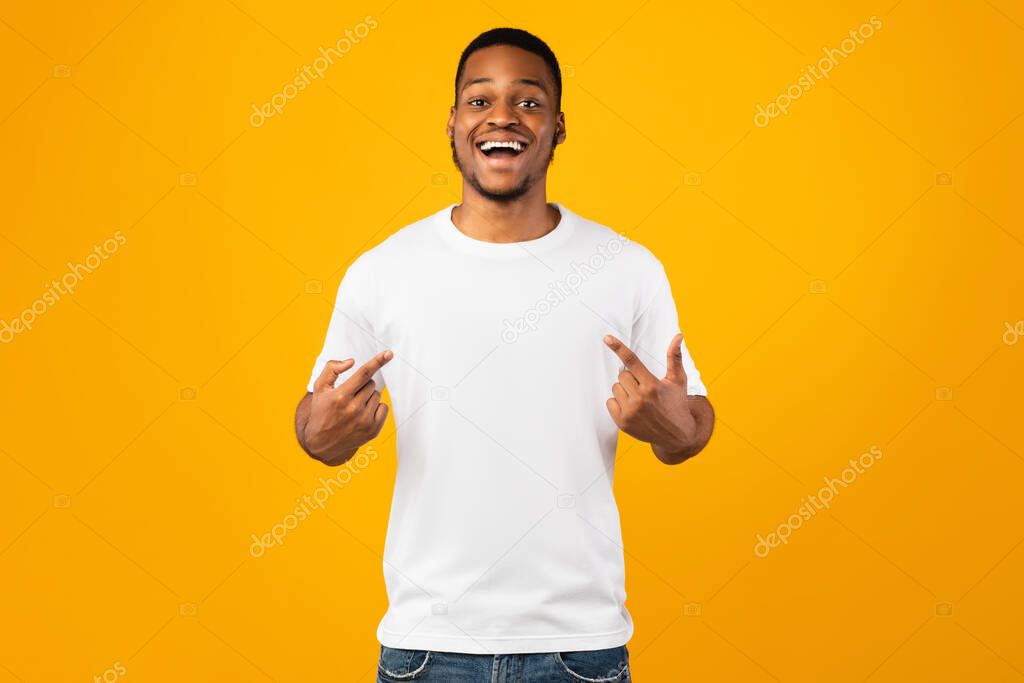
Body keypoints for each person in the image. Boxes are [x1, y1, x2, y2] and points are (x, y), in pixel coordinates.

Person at [294, 27, 715, 683]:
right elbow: (317, 430)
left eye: (528, 101)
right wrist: (322, 432)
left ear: (558, 126)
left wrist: (677, 428)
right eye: (479, 99)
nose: (501, 117)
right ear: (453, 122)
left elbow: (690, 421)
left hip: (581, 648)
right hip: (426, 647)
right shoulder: (383, 271)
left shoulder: (627, 268)